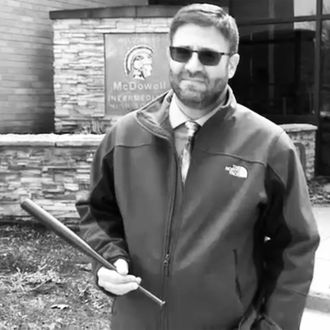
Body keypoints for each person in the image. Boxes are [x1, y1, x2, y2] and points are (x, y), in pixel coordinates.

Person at [77, 3, 319, 330]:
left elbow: (295, 247)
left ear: (231, 64)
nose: (192, 65)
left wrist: (273, 326)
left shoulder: (268, 146)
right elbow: (97, 211)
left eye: (208, 55)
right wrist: (108, 261)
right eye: (181, 52)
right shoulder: (124, 137)